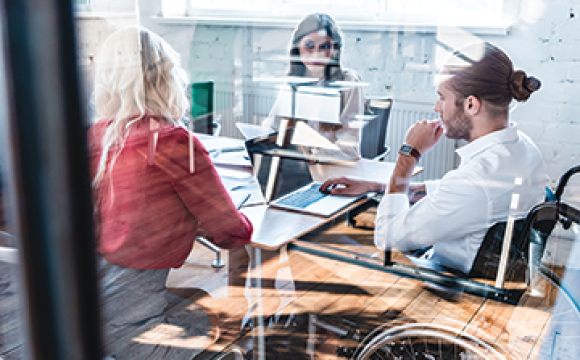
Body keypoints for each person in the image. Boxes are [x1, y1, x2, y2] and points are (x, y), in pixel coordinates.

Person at [88, 26, 253, 359]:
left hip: (90, 304)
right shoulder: (174, 143)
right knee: (227, 320)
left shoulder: (98, 135)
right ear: (166, 76)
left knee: (197, 297)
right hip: (131, 326)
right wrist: (241, 219)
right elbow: (232, 233)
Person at [321, 42, 549, 275]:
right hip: (480, 277)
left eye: (441, 97)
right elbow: (461, 195)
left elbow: (387, 238)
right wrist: (377, 186)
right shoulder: (523, 149)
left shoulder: (475, 181)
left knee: (332, 248)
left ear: (471, 104)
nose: (436, 107)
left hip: (449, 287)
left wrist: (409, 153)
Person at [263, 12, 365, 160]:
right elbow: (273, 128)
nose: (316, 54)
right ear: (298, 48)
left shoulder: (348, 82)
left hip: (331, 170)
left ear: (334, 50)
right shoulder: (293, 82)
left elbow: (349, 151)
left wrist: (312, 153)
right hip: (296, 166)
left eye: (324, 46)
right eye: (309, 46)